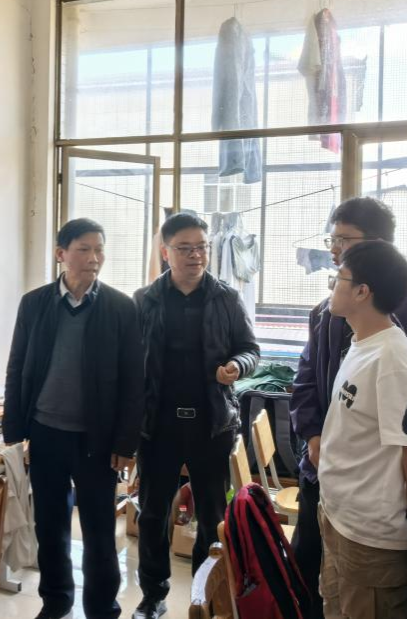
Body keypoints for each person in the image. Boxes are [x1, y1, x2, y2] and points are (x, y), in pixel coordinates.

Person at [289, 197, 407, 617]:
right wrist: (315, 437)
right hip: (337, 499)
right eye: (332, 240)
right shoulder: (340, 323)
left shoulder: (399, 339)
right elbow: (306, 380)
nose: (334, 251)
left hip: (373, 514)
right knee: (319, 589)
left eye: (344, 241)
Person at [3, 218, 144, 619]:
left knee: (99, 530)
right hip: (45, 433)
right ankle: (56, 601)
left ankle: (102, 607)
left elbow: (135, 380)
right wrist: (15, 433)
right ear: (61, 254)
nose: (94, 258)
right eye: (84, 249)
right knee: (50, 526)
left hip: (97, 439)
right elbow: (18, 367)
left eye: (99, 249)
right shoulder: (35, 303)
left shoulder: (120, 307)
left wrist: (126, 443)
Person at [133, 212, 260, 619]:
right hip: (158, 425)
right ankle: (153, 595)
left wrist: (237, 366)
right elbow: (127, 361)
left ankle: (206, 595)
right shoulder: (144, 300)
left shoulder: (226, 299)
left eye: (201, 247)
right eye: (185, 248)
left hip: (212, 423)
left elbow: (250, 349)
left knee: (212, 515)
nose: (196, 256)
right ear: (165, 252)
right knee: (153, 514)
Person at [317, 240, 407, 619]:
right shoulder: (362, 343)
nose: (332, 285)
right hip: (340, 517)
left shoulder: (393, 358)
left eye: (339, 278)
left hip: (372, 536)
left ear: (362, 292)